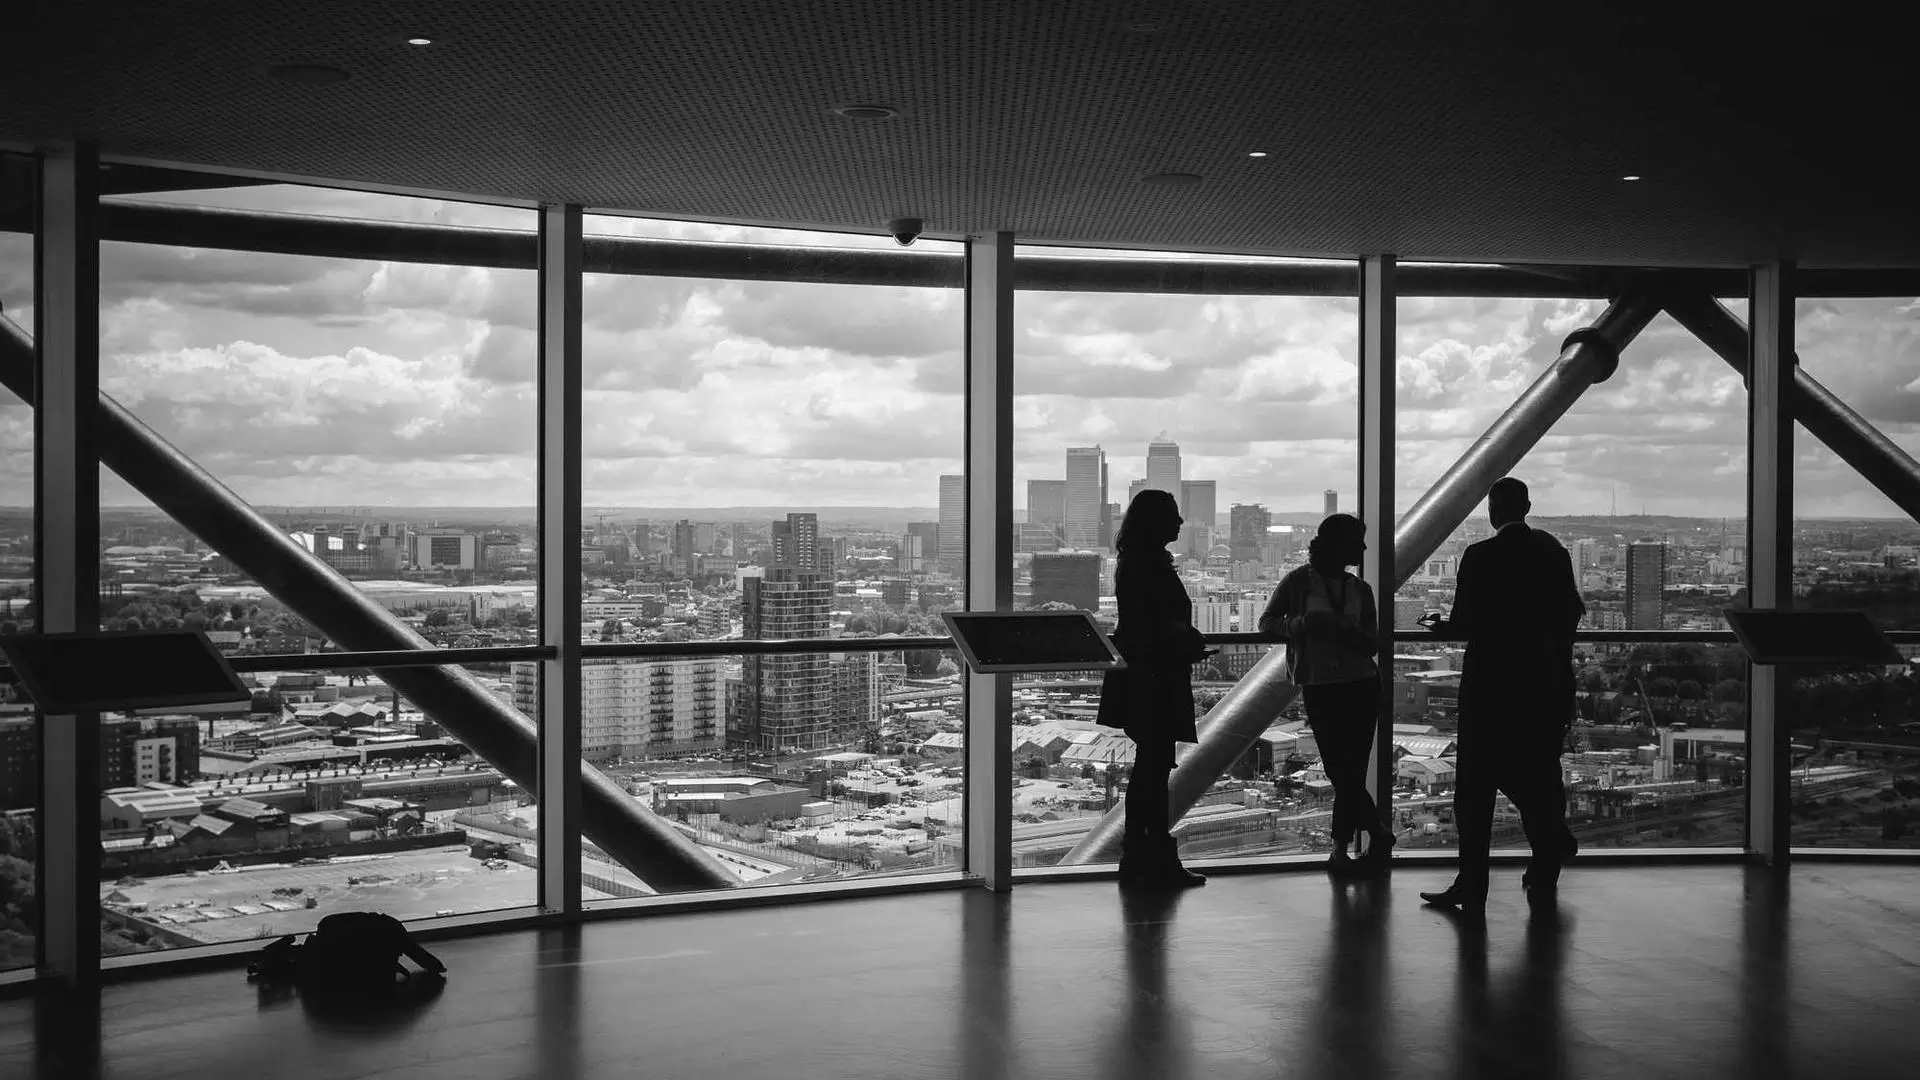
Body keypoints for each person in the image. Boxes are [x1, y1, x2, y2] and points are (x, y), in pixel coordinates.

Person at [1419, 477, 1584, 910]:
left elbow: (1466, 623)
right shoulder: (1553, 552)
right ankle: (1547, 859)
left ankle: (1472, 885)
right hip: (1542, 684)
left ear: (1493, 512)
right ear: (1527, 506)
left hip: (1491, 686)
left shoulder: (1481, 555)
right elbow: (1571, 615)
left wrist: (1440, 627)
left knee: (1475, 790)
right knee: (1538, 771)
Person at [1259, 514, 1391, 876]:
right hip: (1330, 685)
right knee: (1341, 770)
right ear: (1338, 544)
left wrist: (1344, 631)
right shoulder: (1299, 582)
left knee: (1348, 771)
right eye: (1357, 541)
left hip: (1354, 684)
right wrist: (1301, 625)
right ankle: (1374, 833)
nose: (1363, 548)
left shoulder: (1359, 589)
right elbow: (1267, 623)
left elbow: (1372, 642)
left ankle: (1340, 849)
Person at [1097, 489, 1211, 888]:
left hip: (1142, 675)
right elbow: (1157, 624)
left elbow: (1144, 622)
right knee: (1154, 768)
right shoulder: (1150, 566)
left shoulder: (1135, 563)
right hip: (1155, 676)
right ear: (1156, 523)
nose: (1181, 523)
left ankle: (1139, 854)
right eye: (1174, 516)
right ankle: (1153, 855)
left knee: (1151, 767)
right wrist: (1185, 641)